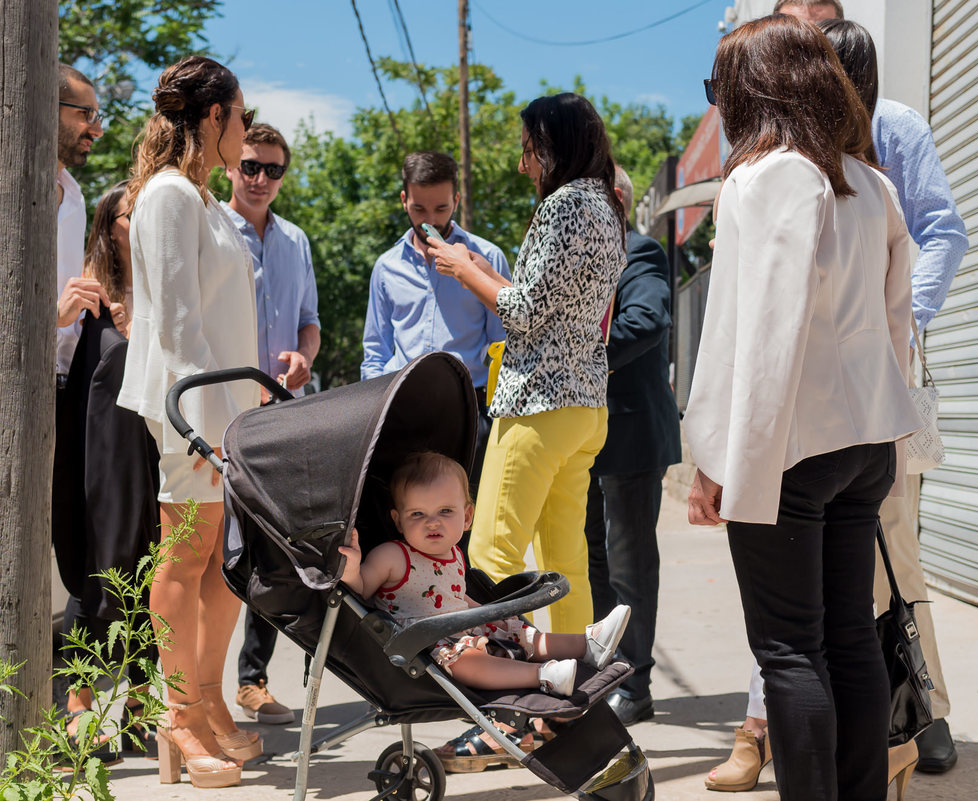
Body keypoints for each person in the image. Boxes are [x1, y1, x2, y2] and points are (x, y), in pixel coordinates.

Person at [706, 3, 970, 788]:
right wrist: (890, 435)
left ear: (758, 88)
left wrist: (728, 467)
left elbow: (759, 342)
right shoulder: (868, 181)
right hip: (864, 445)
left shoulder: (764, 179)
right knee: (851, 634)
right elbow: (898, 327)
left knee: (789, 648)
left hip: (792, 446)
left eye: (721, 85)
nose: (719, 103)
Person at [428, 91, 625, 767]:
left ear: (553, 146)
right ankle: (579, 703)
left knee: (488, 557)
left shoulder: (568, 203)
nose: (522, 165)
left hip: (539, 401)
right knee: (564, 558)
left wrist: (464, 269)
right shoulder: (605, 205)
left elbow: (522, 311)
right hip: (582, 404)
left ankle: (497, 707)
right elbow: (556, 304)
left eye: (528, 148)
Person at [118, 55, 260, 788]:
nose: (245, 129)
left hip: (225, 412)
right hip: (191, 409)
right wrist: (208, 427)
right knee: (185, 556)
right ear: (214, 118)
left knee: (217, 565)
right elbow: (175, 324)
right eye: (239, 115)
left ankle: (202, 704)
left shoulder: (202, 200)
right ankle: (176, 714)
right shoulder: (169, 196)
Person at [338, 452, 630, 772]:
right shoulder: (392, 555)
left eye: (445, 511)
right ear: (397, 520)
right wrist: (352, 570)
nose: (432, 522)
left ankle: (588, 644)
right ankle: (544, 676)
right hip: (423, 645)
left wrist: (491, 616)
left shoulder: (454, 554)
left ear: (466, 517)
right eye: (418, 514)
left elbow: (456, 597)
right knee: (464, 659)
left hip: (462, 624)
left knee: (522, 632)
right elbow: (362, 592)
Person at [222, 122, 321, 727]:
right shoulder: (213, 231)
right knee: (206, 551)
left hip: (280, 417)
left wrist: (305, 355)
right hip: (220, 412)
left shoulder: (296, 241)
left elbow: (310, 321)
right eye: (251, 166)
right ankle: (182, 692)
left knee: (274, 549)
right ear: (230, 165)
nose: (261, 180)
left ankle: (252, 681)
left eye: (273, 170)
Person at [584, 166, 682, 726]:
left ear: (617, 200)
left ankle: (635, 684)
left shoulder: (640, 253)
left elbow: (647, 320)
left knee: (629, 567)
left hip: (632, 435)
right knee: (591, 563)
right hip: (585, 437)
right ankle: (607, 671)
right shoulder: (583, 257)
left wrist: (576, 355)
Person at [361, 151, 509, 502]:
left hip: (468, 412)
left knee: (464, 519)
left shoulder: (487, 259)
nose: (430, 220)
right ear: (404, 200)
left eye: (441, 209)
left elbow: (503, 346)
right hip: (399, 409)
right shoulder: (385, 268)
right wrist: (372, 414)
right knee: (399, 513)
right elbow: (375, 350)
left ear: (456, 200)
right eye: (419, 210)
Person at [50, 61, 120, 765]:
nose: (94, 127)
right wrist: (55, 314)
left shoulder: (71, 195)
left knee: (76, 558)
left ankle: (69, 707)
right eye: (83, 113)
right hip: (21, 398)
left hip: (67, 394)